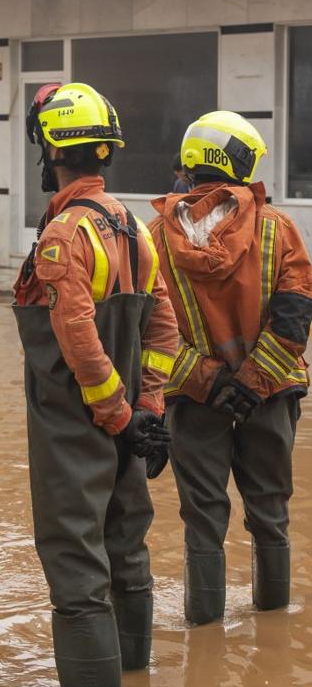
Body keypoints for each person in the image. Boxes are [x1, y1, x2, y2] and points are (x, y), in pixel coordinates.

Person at [13, 83, 179, 686]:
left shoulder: (64, 236)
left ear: (52, 150)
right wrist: (148, 408)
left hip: (76, 427)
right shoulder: (135, 227)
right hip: (128, 426)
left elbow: (77, 335)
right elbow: (165, 325)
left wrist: (116, 413)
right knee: (128, 549)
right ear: (104, 151)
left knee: (77, 569)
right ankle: (136, 672)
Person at [149, 111, 312, 625]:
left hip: (194, 405)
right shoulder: (276, 230)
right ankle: (273, 629)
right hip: (270, 397)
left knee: (202, 523)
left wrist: (212, 383)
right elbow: (294, 319)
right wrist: (251, 383)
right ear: (239, 161)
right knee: (271, 516)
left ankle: (205, 640)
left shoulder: (153, 237)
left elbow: (149, 335)